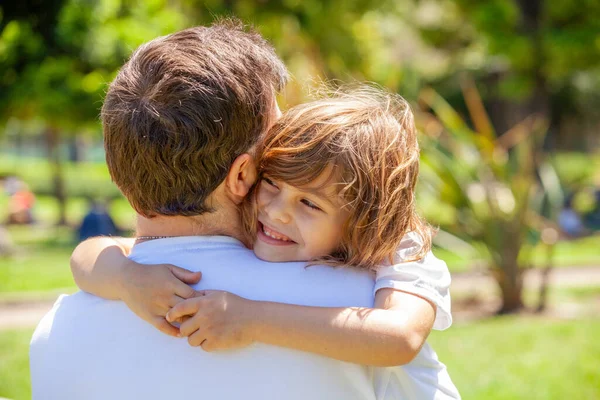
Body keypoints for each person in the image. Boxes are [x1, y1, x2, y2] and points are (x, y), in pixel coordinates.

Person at [70, 88, 460, 399]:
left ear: (362, 220)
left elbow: (401, 338)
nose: (277, 211)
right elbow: (85, 255)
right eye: (270, 183)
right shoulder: (259, 231)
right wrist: (124, 277)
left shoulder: (400, 249)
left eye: (309, 203)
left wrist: (251, 318)